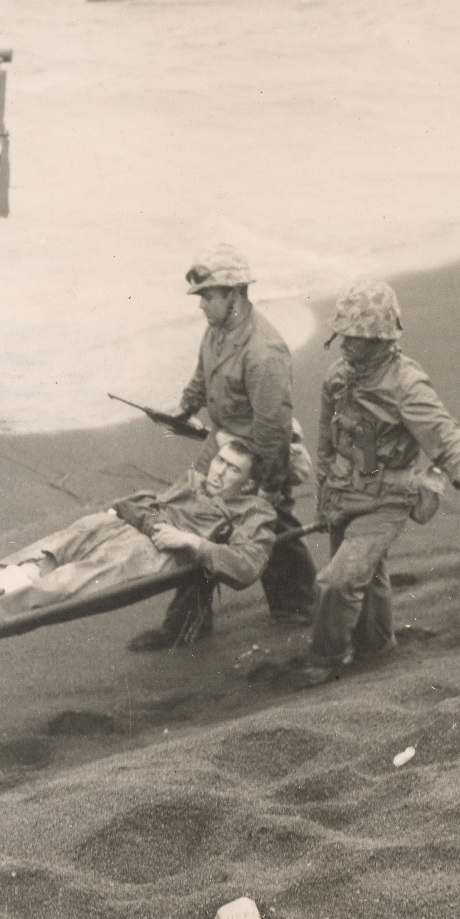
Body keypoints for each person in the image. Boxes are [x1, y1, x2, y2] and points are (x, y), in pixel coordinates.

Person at [0, 434, 276, 648]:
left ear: (250, 482)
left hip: (146, 553)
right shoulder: (196, 482)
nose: (219, 472)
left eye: (232, 469)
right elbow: (143, 502)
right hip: (115, 525)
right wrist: (125, 513)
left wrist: (191, 543)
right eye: (219, 462)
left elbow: (245, 568)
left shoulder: (254, 513)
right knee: (20, 567)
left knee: (51, 589)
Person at [297, 279, 460, 687]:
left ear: (380, 339)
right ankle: (376, 649)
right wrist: (323, 493)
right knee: (365, 577)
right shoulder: (338, 377)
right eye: (343, 335)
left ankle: (325, 659)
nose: (344, 344)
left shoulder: (407, 386)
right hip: (343, 493)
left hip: (387, 500)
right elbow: (325, 440)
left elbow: (447, 439)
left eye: (355, 338)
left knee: (336, 583)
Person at [130, 243, 318, 651]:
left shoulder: (263, 352)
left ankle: (300, 609)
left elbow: (273, 429)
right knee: (201, 515)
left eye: (208, 297)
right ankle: (193, 623)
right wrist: (183, 408)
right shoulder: (218, 330)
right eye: (200, 297)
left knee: (266, 523)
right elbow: (203, 376)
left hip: (257, 452)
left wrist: (268, 485)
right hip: (223, 440)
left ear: (234, 295)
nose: (201, 306)